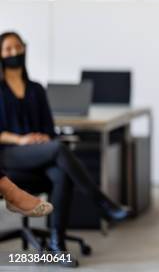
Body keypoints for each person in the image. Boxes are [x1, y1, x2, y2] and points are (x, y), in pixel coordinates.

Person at [0, 31, 131, 266]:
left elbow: (49, 129)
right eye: (8, 49)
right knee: (59, 150)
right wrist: (22, 140)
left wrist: (41, 138)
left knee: (62, 172)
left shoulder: (36, 89)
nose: (14, 53)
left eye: (17, 47)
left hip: (38, 153)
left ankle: (56, 244)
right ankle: (102, 203)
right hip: (9, 155)